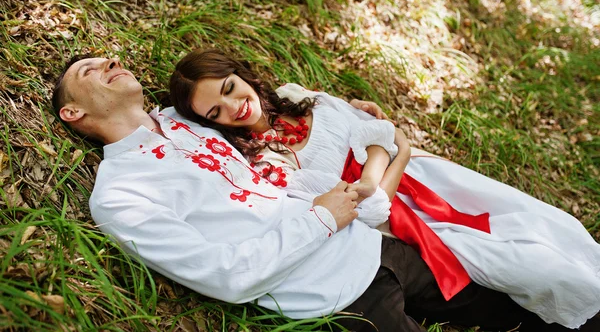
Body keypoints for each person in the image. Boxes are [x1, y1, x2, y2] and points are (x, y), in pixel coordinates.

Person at [169, 48, 600, 330]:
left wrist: (386, 159)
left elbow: (375, 130)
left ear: (240, 74)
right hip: (402, 225)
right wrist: (394, 156)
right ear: (212, 124)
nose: (233, 105)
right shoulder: (266, 166)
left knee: (549, 229)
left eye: (229, 88)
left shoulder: (296, 95)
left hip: (436, 184)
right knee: (530, 269)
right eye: (216, 111)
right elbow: (370, 206)